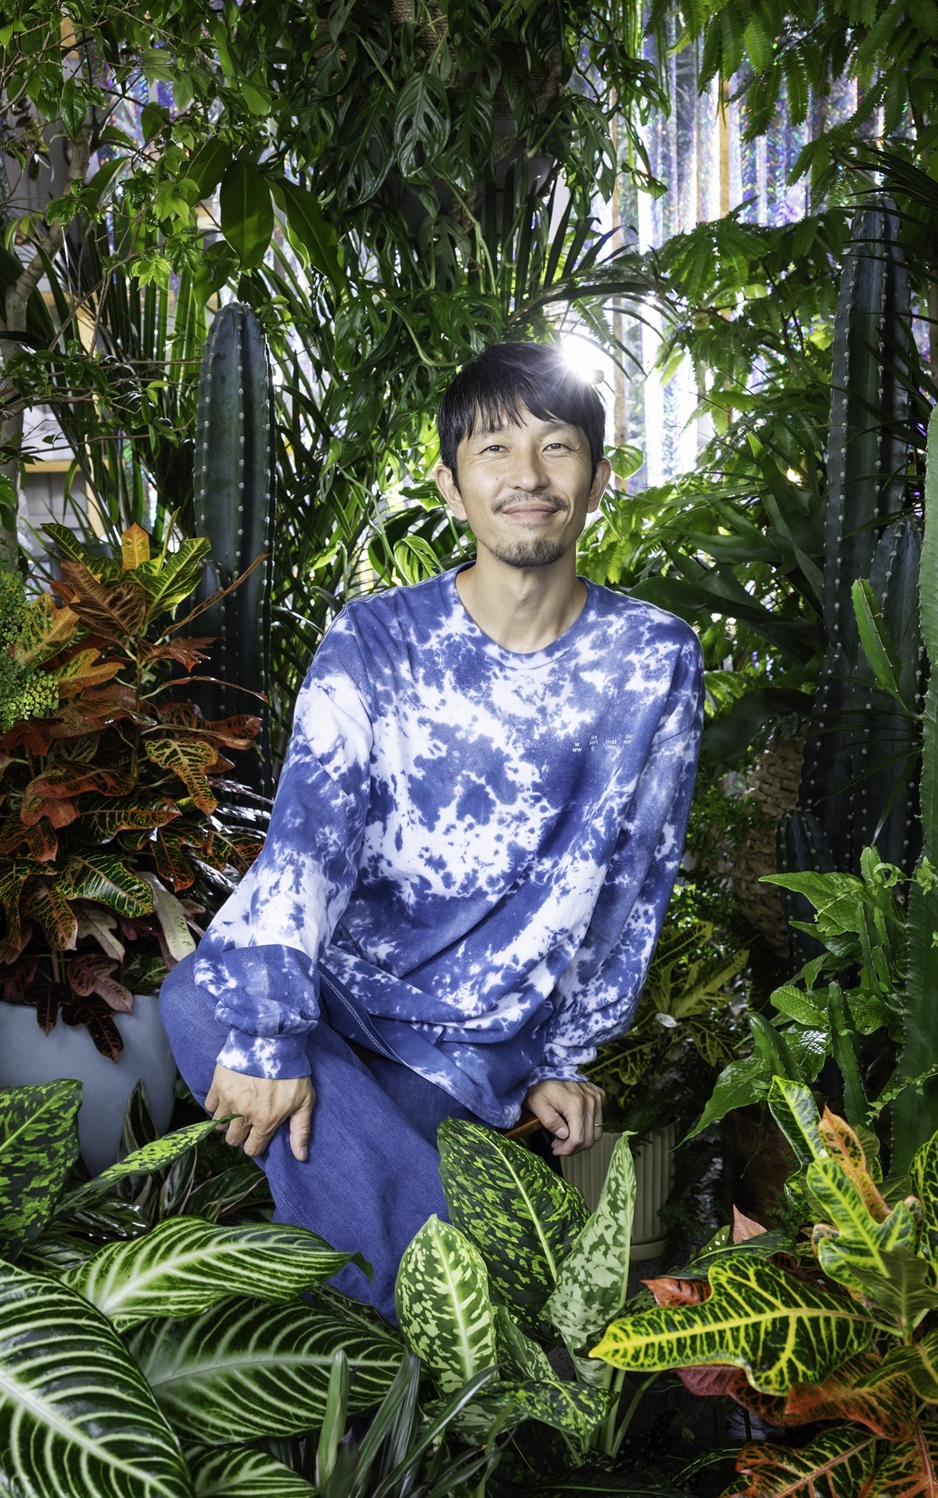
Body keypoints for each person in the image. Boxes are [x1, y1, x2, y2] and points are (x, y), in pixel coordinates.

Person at [159, 340, 704, 1321]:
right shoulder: (375, 638)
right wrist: (274, 1035)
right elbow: (308, 841)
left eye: (557, 446)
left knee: (358, 1148)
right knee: (198, 998)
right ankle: (502, 1332)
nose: (528, 474)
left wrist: (561, 1058)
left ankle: (443, 1334)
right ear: (452, 487)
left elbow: (635, 880)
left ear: (597, 480)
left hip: (467, 1038)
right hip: (333, 987)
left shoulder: (651, 658)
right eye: (494, 449)